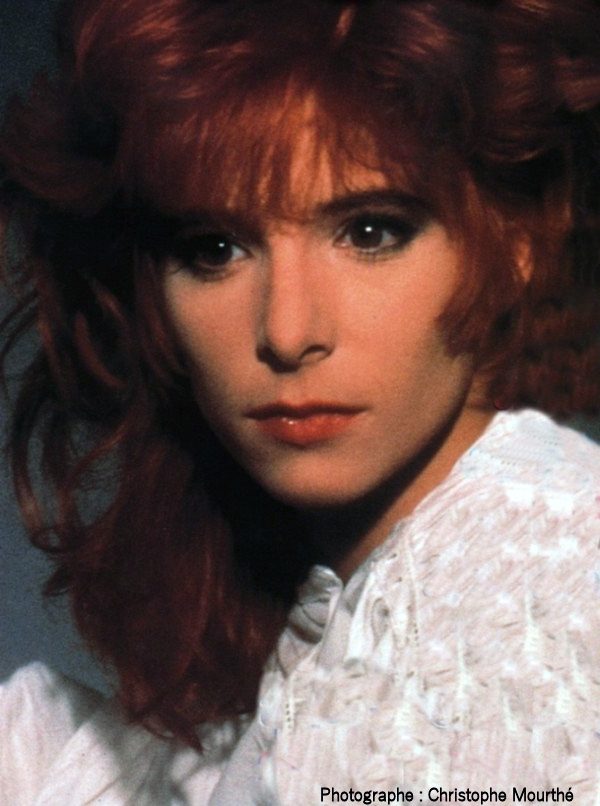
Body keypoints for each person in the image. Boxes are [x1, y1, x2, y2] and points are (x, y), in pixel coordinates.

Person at [1, 0, 600, 802]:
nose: (287, 332)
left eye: (370, 232)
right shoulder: (342, 609)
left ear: (516, 239)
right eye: (215, 249)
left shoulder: (525, 601)